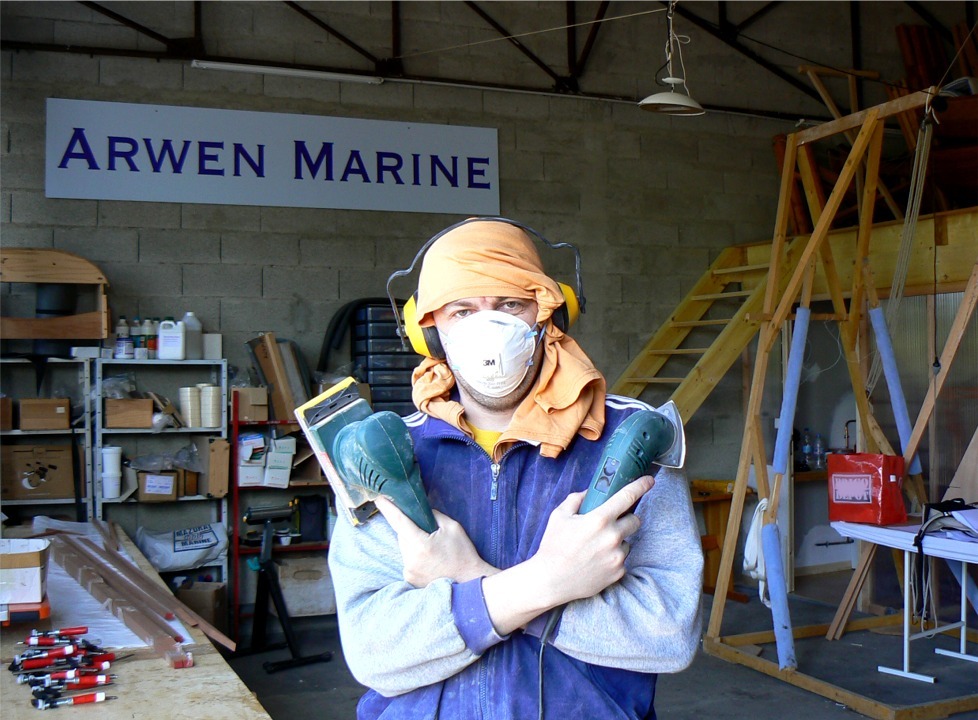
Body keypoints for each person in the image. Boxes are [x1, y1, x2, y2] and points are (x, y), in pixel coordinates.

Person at [328, 218, 703, 720]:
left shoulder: (633, 444)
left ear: (548, 316)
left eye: (509, 304)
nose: (487, 328)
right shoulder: (385, 455)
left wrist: (466, 577)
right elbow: (376, 653)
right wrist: (552, 582)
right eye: (462, 309)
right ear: (431, 333)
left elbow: (667, 637)